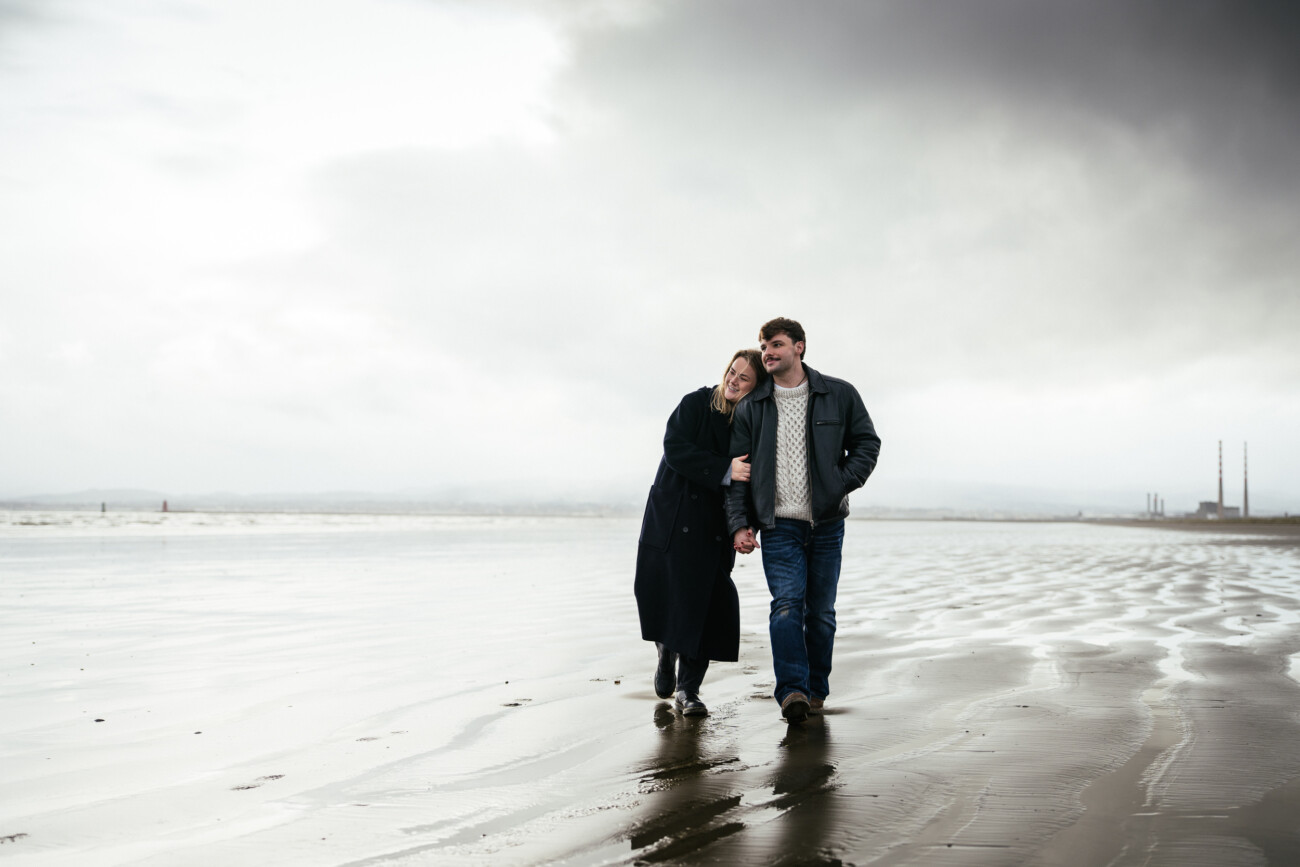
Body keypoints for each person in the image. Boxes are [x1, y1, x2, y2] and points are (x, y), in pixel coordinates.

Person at [726, 318, 880, 724]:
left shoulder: (839, 394)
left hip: (827, 523)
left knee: (822, 614)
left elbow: (867, 443)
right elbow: (739, 474)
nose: (768, 352)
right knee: (786, 607)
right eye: (764, 346)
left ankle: (816, 692)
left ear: (800, 347)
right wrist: (740, 524)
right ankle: (792, 691)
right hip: (778, 526)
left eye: (776, 344)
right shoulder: (751, 406)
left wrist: (840, 484)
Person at [635, 349, 768, 717]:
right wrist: (723, 468)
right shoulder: (696, 403)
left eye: (743, 378)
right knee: (670, 598)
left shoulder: (753, 425)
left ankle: (688, 690)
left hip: (715, 526)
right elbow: (674, 448)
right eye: (732, 372)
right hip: (674, 519)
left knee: (706, 609)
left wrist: (746, 525)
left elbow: (755, 483)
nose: (733, 380)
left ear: (756, 388)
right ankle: (665, 654)